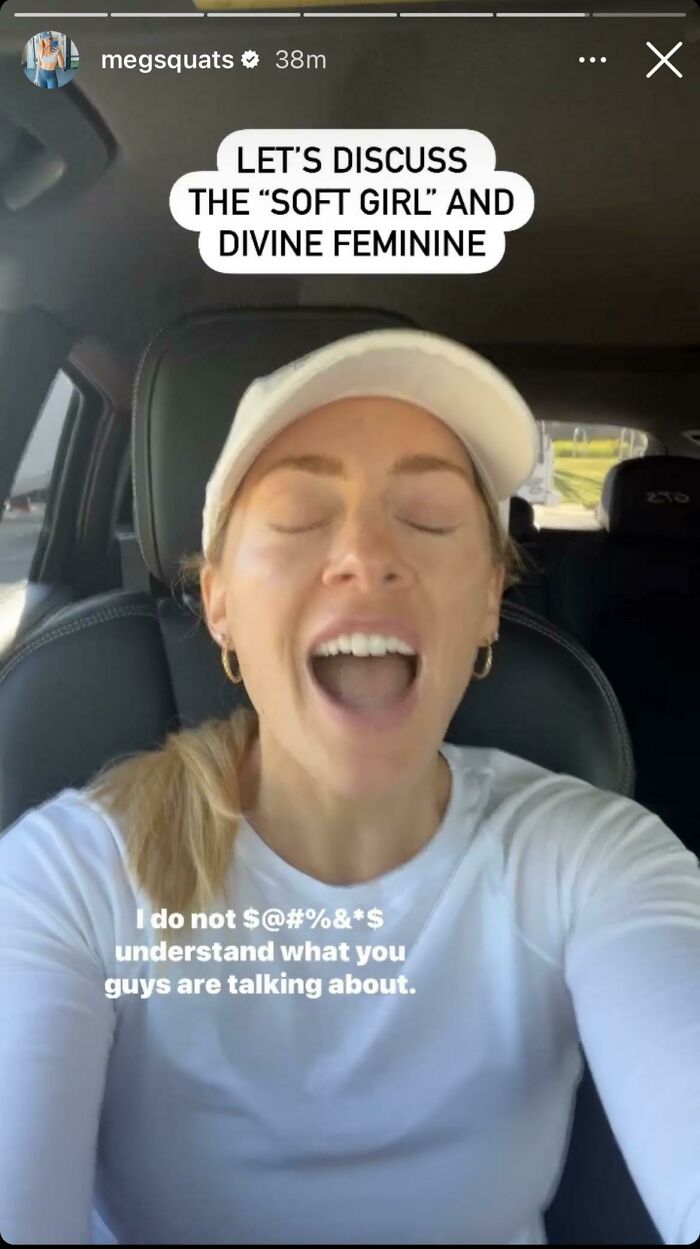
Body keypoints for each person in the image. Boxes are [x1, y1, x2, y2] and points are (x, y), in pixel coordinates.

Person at [0, 328, 698, 1245]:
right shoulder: (70, 879)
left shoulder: (595, 858)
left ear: (491, 596)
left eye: (431, 517)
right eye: (297, 517)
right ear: (219, 603)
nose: (366, 555)